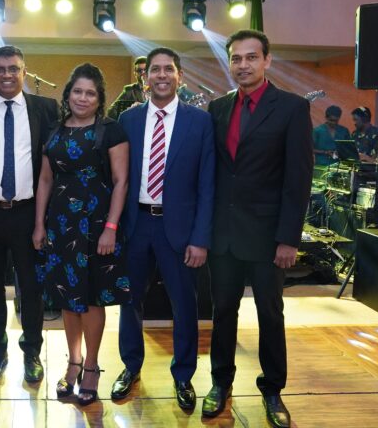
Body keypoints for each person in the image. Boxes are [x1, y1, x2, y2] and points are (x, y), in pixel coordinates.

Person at [203, 30, 313, 428]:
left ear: (267, 60)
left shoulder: (292, 108)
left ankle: (273, 390)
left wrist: (288, 238)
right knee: (222, 312)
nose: (243, 65)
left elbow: (298, 179)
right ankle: (220, 383)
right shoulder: (217, 108)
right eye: (236, 58)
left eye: (251, 57)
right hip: (224, 234)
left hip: (269, 237)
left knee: (270, 312)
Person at [111, 47, 215, 411]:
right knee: (129, 301)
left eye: (168, 69)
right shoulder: (127, 119)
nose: (161, 75)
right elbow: (117, 177)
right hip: (136, 225)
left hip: (180, 230)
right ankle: (130, 366)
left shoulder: (200, 122)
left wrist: (200, 238)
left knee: (184, 304)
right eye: (154, 69)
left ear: (179, 76)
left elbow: (207, 186)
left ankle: (183, 374)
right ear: (145, 77)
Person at [32, 63, 130, 405]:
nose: (83, 98)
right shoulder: (54, 130)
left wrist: (111, 228)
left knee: (89, 299)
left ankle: (91, 366)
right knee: (67, 297)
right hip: (60, 225)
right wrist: (39, 224)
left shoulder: (111, 130)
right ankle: (73, 361)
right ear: (68, 94)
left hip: (96, 224)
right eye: (77, 91)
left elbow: (121, 181)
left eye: (90, 93)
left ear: (99, 99)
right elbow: (45, 179)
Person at [0, 46, 59, 384]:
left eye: (13, 68)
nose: (7, 74)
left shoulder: (46, 108)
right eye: (0, 69)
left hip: (29, 214)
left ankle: (32, 351)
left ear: (24, 71)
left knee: (31, 288)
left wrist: (44, 221)